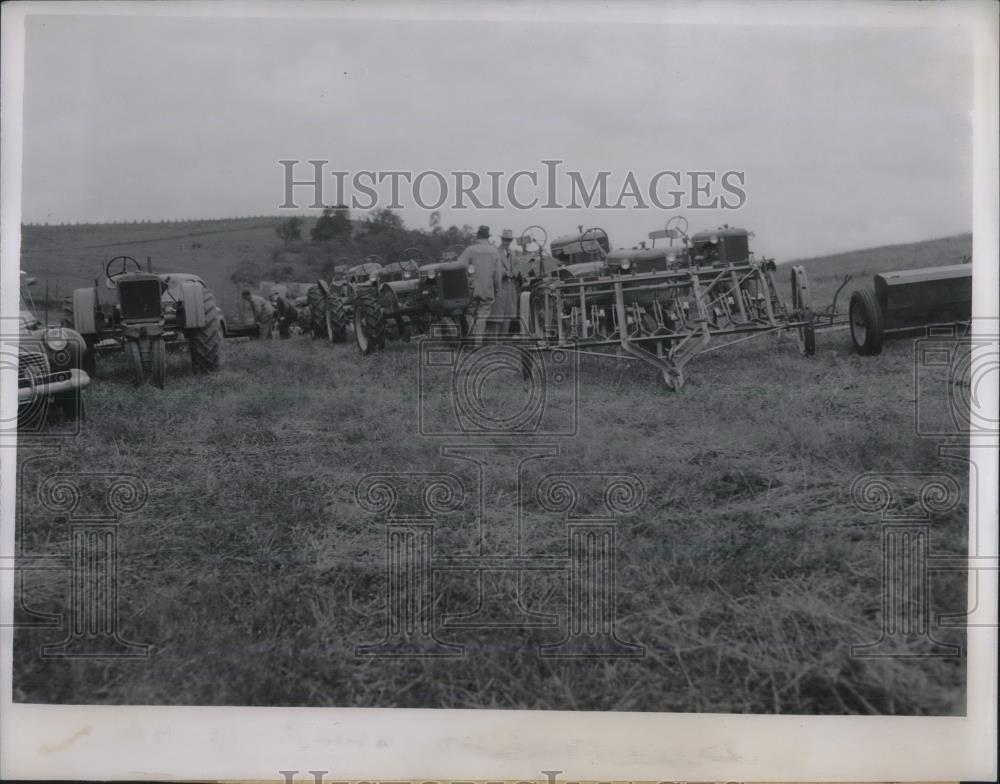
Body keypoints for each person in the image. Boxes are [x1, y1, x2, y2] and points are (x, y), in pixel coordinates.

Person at [457, 225, 501, 344]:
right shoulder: (494, 251)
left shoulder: (470, 250)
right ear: (488, 236)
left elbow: (459, 267)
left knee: (470, 313)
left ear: (478, 236)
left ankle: (470, 341)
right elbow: (497, 275)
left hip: (471, 288)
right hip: (487, 288)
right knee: (482, 315)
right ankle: (477, 343)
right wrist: (497, 289)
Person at [492, 228, 520, 335]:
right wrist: (504, 273)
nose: (506, 242)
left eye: (508, 240)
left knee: (508, 314)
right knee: (498, 315)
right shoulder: (495, 252)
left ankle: (503, 339)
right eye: (504, 240)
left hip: (510, 288)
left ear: (511, 241)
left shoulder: (513, 253)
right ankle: (495, 340)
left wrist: (514, 273)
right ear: (501, 239)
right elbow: (494, 268)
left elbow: (517, 266)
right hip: (500, 288)